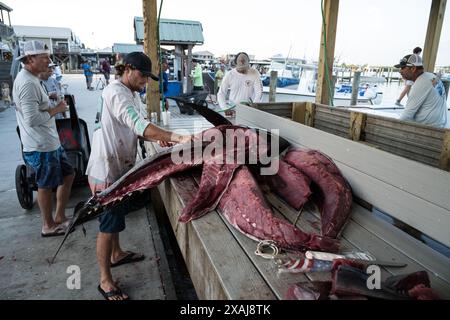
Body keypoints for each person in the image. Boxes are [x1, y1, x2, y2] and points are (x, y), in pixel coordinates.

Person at [86, 52, 193, 300]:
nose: (145, 81)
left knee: (116, 217)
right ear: (129, 69)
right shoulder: (115, 92)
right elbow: (138, 125)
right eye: (143, 76)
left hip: (119, 167)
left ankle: (117, 254)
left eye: (148, 77)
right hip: (106, 172)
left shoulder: (131, 93)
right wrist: (177, 137)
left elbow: (139, 127)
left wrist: (162, 137)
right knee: (107, 224)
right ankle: (105, 281)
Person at [12, 40, 74, 237]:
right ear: (30, 59)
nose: (49, 61)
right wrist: (57, 109)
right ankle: (48, 225)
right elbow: (31, 119)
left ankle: (60, 216)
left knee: (69, 174)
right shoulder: (27, 83)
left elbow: (36, 106)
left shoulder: (33, 79)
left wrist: (50, 97)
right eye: (44, 57)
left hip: (50, 142)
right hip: (41, 145)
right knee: (45, 185)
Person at [394, 53, 447, 127]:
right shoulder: (431, 76)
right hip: (439, 125)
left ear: (413, 69)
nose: (400, 71)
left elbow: (406, 116)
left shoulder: (421, 82)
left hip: (428, 129)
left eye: (403, 68)